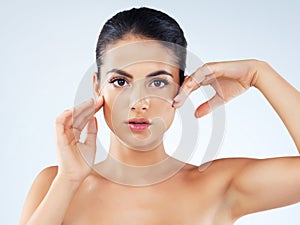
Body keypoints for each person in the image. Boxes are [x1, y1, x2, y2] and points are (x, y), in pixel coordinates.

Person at [19, 7, 300, 225]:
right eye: (120, 82)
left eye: (158, 82)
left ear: (183, 87)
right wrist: (68, 182)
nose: (139, 103)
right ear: (96, 86)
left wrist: (259, 74)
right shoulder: (54, 184)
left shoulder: (221, 184)